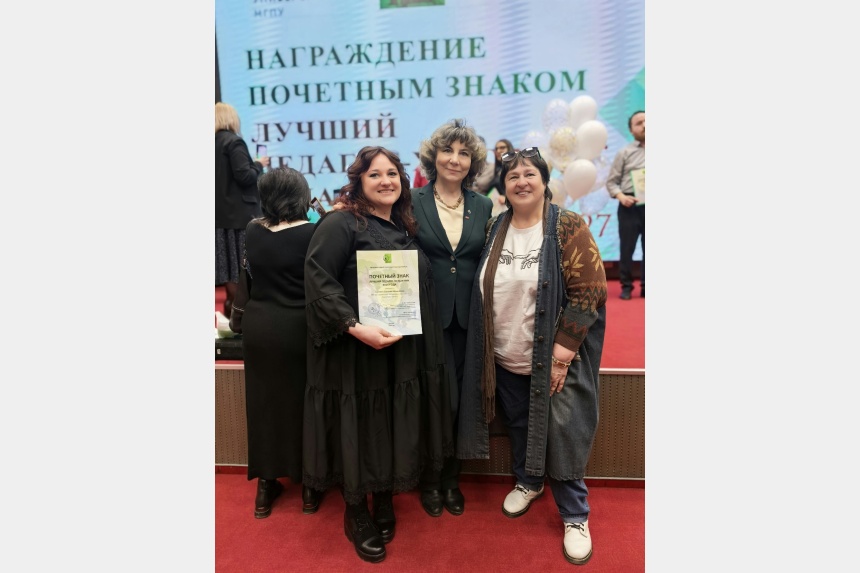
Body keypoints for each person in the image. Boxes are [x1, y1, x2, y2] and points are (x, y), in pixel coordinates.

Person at [457, 146, 608, 566]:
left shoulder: (567, 226)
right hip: (505, 354)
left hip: (552, 357)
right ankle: (529, 481)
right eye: (512, 176)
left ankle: (575, 515)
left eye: (529, 174)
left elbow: (589, 291)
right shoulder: (495, 227)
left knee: (564, 432)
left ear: (544, 182)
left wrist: (561, 355)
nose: (521, 182)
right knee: (520, 423)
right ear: (503, 187)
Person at [302, 146, 453, 564]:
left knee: (387, 422)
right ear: (358, 182)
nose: (386, 181)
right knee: (360, 424)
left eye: (392, 173)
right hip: (357, 350)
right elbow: (318, 280)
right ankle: (356, 510)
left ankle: (383, 496)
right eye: (374, 174)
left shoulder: (404, 225)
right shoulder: (341, 223)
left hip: (398, 350)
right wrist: (355, 326)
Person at [227, 167, 322, 519]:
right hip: (301, 329)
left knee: (264, 406)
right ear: (301, 194)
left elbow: (247, 278)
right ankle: (309, 487)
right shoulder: (314, 232)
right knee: (305, 405)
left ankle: (265, 489)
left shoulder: (253, 229)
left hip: (260, 330)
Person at [412, 119, 493, 518]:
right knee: (434, 399)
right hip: (425, 317)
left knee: (462, 400)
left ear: (472, 162)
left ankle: (451, 479)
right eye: (448, 151)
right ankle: (429, 479)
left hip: (469, 319)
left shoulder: (484, 205)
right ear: (434, 156)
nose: (455, 160)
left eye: (464, 153)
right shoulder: (412, 200)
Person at [216, 102, 270, 318]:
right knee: (242, 268)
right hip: (240, 217)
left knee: (227, 268)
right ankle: (243, 317)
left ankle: (233, 314)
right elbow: (245, 176)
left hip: (219, 218)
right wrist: (258, 164)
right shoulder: (234, 142)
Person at [606, 110, 645, 300]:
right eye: (639, 123)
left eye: (647, 121)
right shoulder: (625, 153)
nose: (644, 125)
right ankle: (626, 286)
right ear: (631, 130)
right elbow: (612, 182)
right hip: (630, 205)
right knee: (627, 248)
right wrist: (621, 197)